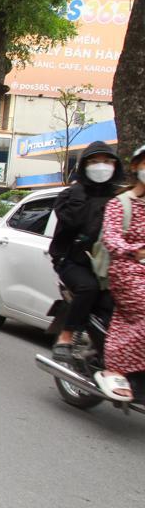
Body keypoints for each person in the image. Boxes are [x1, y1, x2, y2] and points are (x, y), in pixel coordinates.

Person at [47, 141, 124, 362]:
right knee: (87, 287)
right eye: (94, 162)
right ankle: (66, 336)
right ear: (85, 166)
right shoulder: (70, 195)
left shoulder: (121, 198)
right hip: (72, 261)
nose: (101, 166)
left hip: (110, 265)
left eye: (107, 161)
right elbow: (71, 222)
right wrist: (80, 191)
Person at [98, 145, 145, 400]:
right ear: (136, 166)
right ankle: (114, 368)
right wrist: (136, 251)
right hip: (127, 271)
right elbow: (112, 239)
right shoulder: (120, 203)